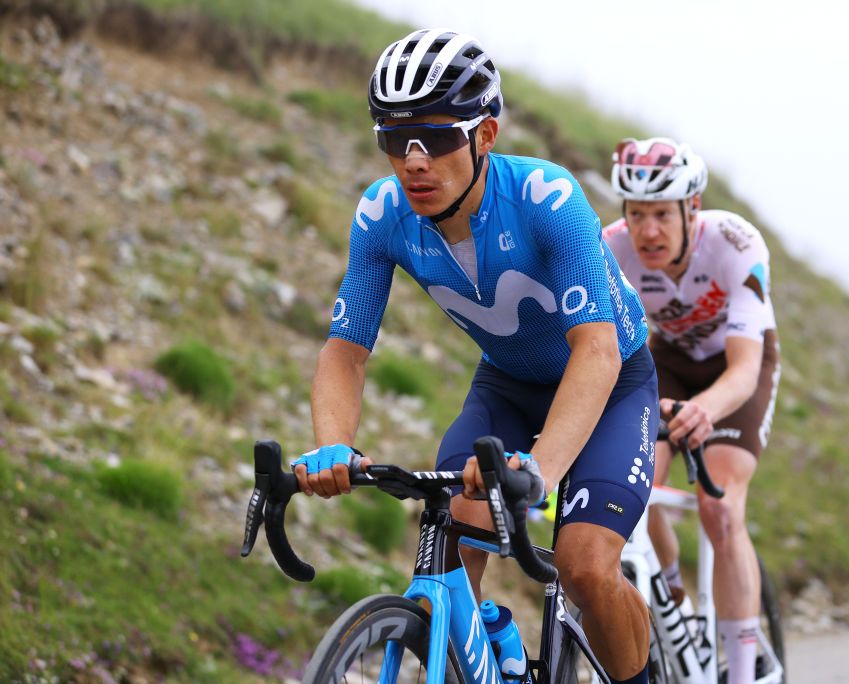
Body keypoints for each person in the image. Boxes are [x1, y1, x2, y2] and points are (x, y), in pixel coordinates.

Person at [290, 29, 657, 684]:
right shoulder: (381, 217)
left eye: (433, 137)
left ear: (484, 135)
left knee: (583, 565)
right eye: (393, 139)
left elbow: (597, 350)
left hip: (611, 381)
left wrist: (539, 470)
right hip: (510, 385)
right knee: (455, 522)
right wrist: (332, 445)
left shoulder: (548, 198)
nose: (413, 161)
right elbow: (345, 351)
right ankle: (492, 647)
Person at [603, 137, 780, 684]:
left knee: (720, 508)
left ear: (691, 209)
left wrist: (703, 411)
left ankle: (745, 670)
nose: (648, 231)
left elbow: (745, 369)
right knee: (630, 488)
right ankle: (671, 590)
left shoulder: (735, 243)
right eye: (637, 214)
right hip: (666, 361)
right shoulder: (610, 248)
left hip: (736, 366)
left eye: (660, 215)